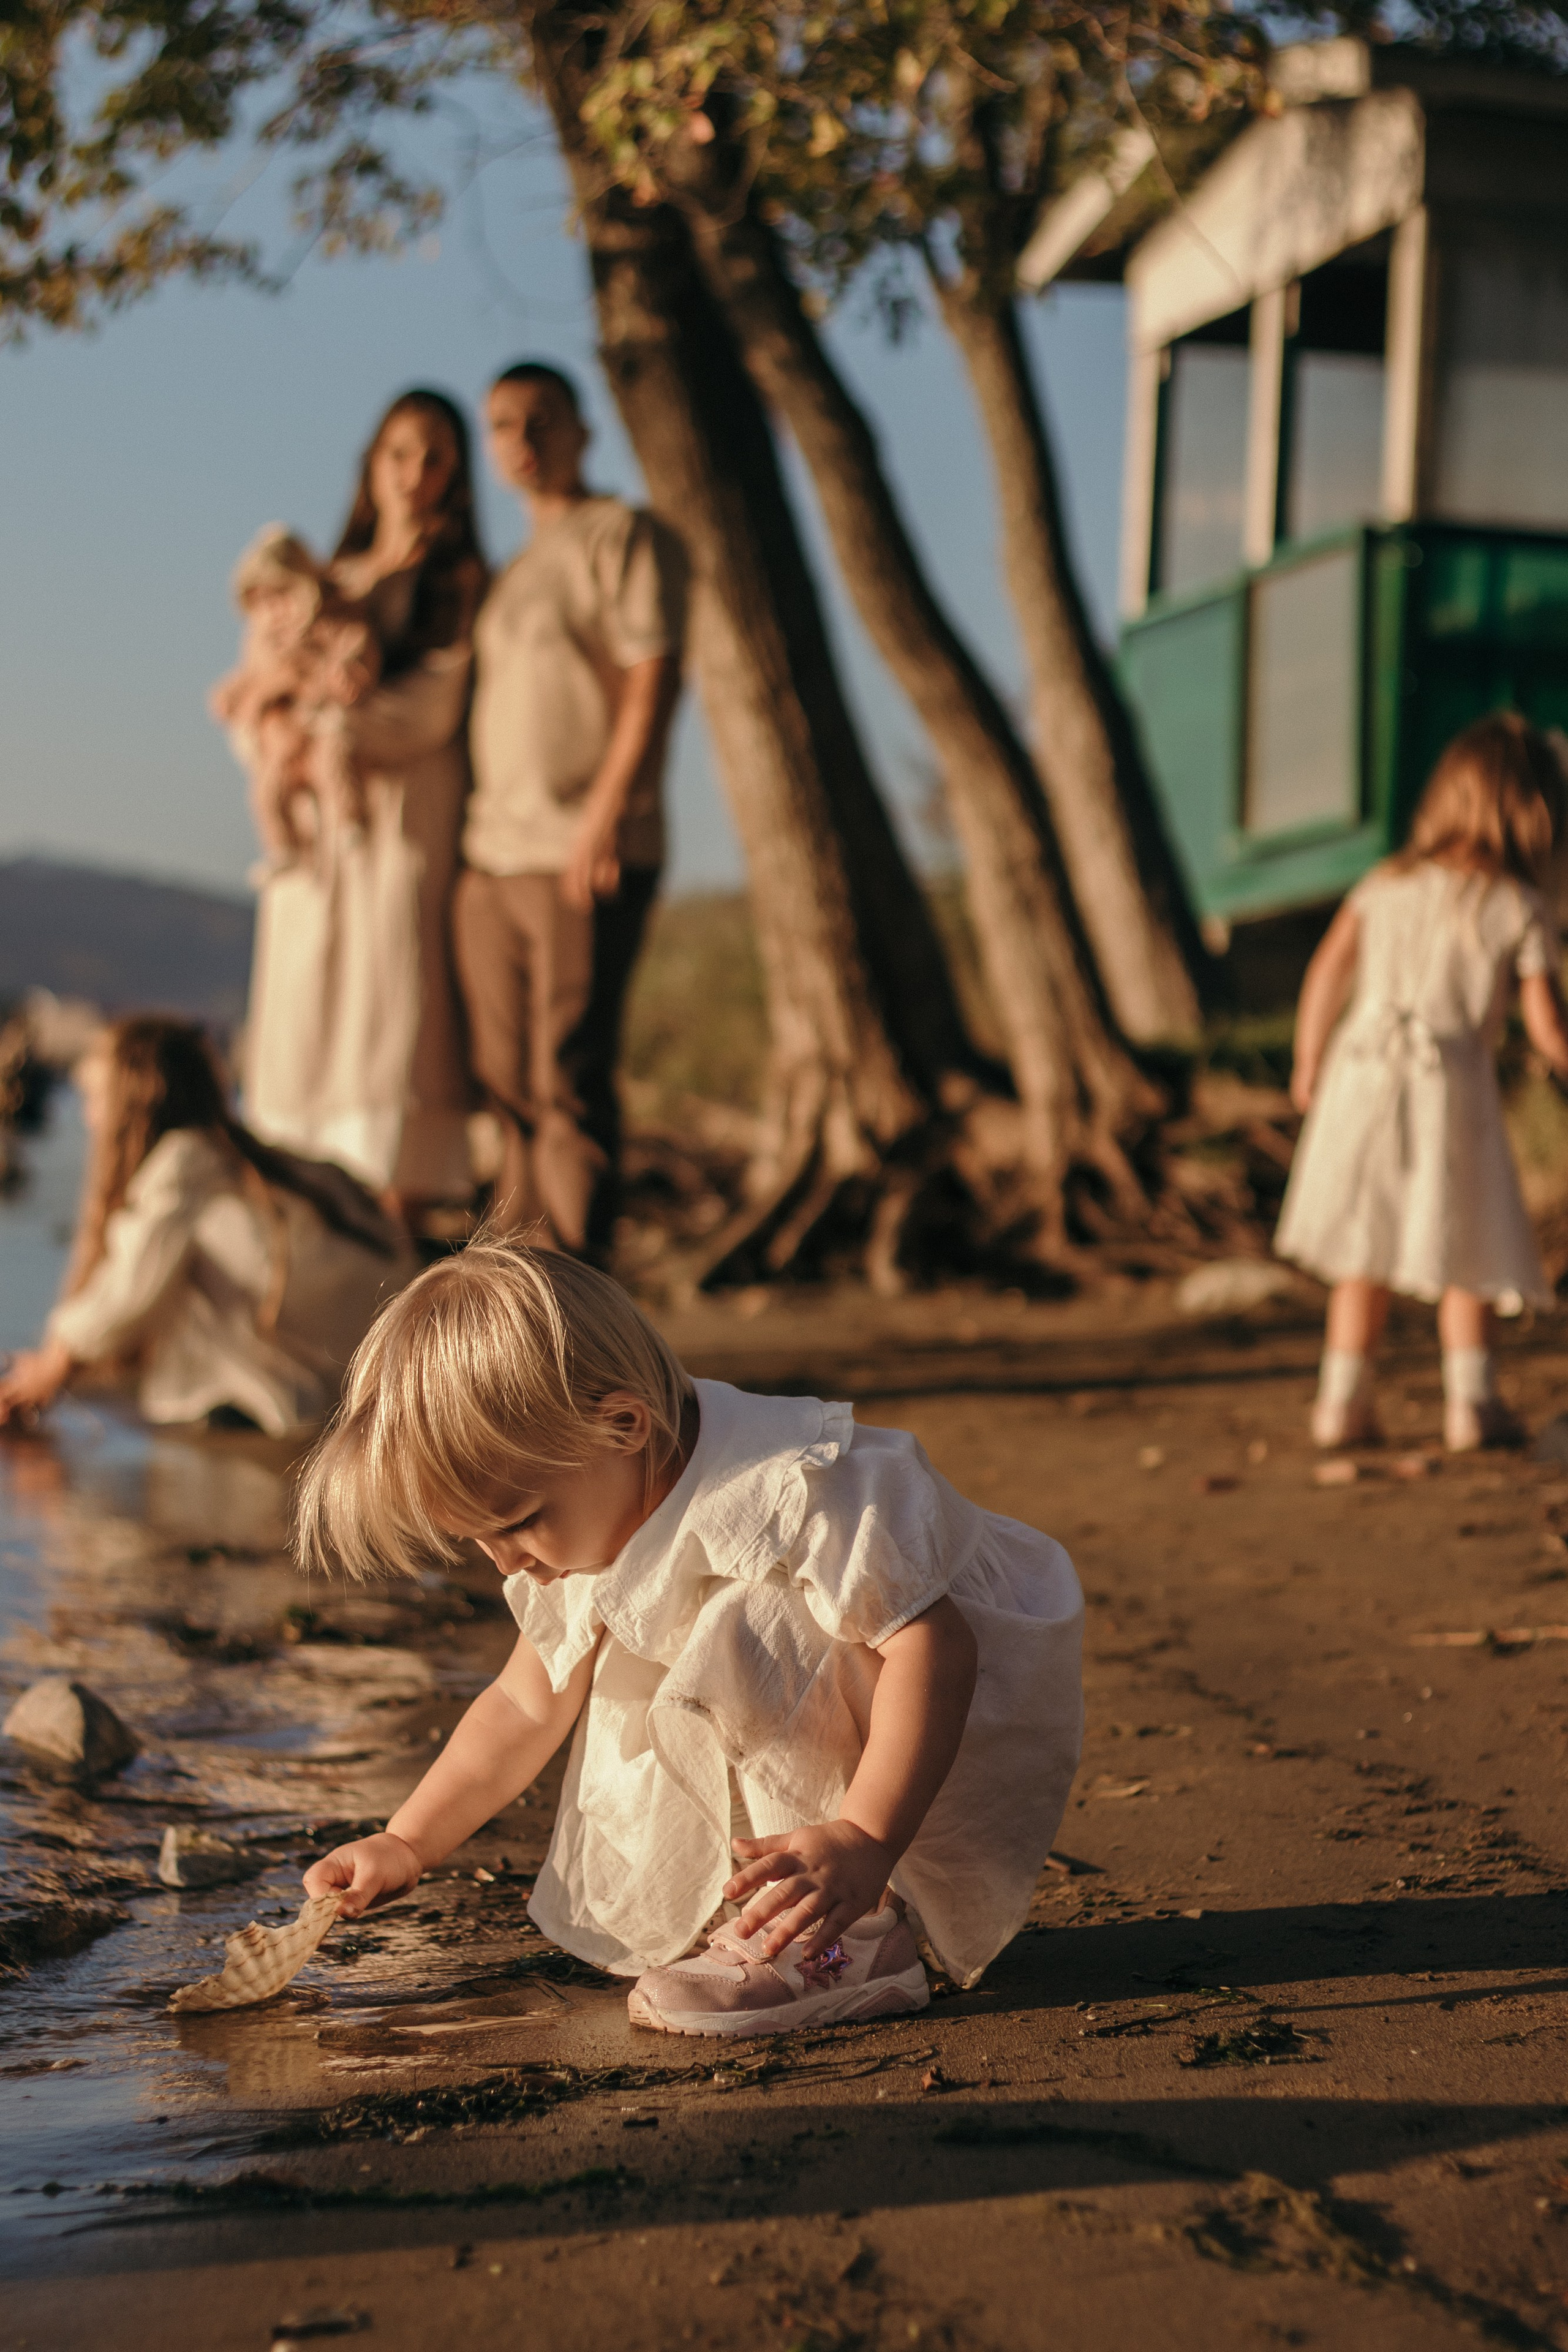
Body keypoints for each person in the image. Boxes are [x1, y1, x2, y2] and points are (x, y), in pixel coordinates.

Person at [295, 1238, 1084, 2035]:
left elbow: (935, 1649)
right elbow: (527, 1703)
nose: (506, 1563)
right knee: (672, 1639)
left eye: (521, 1525)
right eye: (477, 1540)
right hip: (862, 1718)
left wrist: (865, 1836)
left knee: (753, 1621)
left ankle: (849, 1939)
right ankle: (769, 1904)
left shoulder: (804, 1491)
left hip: (948, 1719)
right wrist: (408, 1840)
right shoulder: (595, 1500)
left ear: (623, 1427)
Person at [1275, 712, 1568, 1452]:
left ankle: (1340, 1402)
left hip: (1360, 1079)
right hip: (1449, 1089)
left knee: (1363, 1246)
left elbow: (1326, 972)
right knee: (1464, 1242)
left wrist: (1308, 1062)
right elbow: (1547, 1028)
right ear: (1531, 811)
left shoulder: (1385, 884)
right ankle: (1470, 1403)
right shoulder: (1515, 904)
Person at [233, 390, 487, 1219]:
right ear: (371, 464)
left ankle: (393, 1265)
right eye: (400, 453)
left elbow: (434, 711)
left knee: (390, 1027)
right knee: (305, 1027)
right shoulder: (316, 585)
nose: (415, 474)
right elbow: (250, 706)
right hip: (308, 852)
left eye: (436, 456)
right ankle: (315, 1277)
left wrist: (335, 727)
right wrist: (286, 744)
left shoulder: (456, 586)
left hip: (398, 835)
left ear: (457, 474)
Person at [455, 362, 685, 1257]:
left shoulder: (620, 534)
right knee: (507, 1091)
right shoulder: (510, 571)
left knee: (568, 1082)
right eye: (504, 425)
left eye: (541, 421)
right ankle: (521, 1313)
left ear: (582, 432)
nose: (523, 442)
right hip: (493, 859)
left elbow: (653, 677)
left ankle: (584, 1321)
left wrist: (608, 814)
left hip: (580, 850)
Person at [0, 1019, 417, 1436]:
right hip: (381, 1348)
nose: (89, 1119)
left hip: (343, 1376)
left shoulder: (182, 1163)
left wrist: (52, 1366)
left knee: (178, 1258)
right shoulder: (241, 1161)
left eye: (95, 1099)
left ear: (132, 1104)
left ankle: (239, 1399)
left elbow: (130, 1289)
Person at [209, 524, 380, 869]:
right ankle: (282, 846)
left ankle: (351, 821)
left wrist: (348, 672)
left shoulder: (329, 626)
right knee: (268, 790)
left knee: (335, 761)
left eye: (282, 596)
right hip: (281, 732)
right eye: (264, 601)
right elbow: (249, 677)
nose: (276, 611)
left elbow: (358, 648)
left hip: (319, 718)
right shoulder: (263, 645)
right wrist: (231, 695)